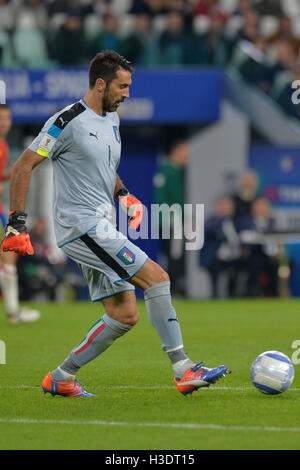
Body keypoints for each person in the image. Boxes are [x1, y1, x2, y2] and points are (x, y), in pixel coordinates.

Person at [2, 50, 229, 397]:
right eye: (122, 87)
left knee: (124, 314)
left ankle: (61, 377)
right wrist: (17, 223)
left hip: (101, 223)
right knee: (158, 279)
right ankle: (184, 368)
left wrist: (124, 195)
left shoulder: (112, 119)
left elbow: (105, 168)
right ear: (100, 83)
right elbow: (23, 166)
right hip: (81, 226)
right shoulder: (67, 121)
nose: (127, 94)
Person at [0, 104, 40, 324]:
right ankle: (13, 312)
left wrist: (8, 176)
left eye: (7, 118)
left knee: (9, 255)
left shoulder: (3, 145)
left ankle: (13, 311)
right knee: (9, 255)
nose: (4, 122)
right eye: (0, 118)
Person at [153, 138, 189, 297]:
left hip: (162, 220)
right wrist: (187, 219)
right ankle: (173, 290)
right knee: (176, 256)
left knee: (168, 255)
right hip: (173, 221)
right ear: (176, 152)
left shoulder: (162, 170)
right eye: (185, 153)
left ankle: (169, 289)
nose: (187, 158)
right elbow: (177, 199)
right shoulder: (172, 171)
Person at [200, 196, 241, 298]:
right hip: (215, 257)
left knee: (237, 269)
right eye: (223, 205)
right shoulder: (211, 221)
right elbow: (209, 232)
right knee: (215, 273)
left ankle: (233, 295)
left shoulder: (236, 221)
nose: (226, 208)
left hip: (233, 257)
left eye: (228, 205)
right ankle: (215, 295)